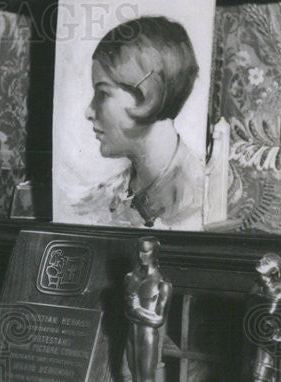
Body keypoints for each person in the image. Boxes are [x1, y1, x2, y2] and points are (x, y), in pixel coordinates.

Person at [77, 16, 205, 229]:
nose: (89, 112)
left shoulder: (201, 196)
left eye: (103, 93)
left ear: (148, 96)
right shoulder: (101, 201)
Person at [122, 237, 172, 382]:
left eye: (147, 252)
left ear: (155, 253)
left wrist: (136, 310)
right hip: (131, 334)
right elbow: (124, 310)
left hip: (148, 336)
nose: (143, 256)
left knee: (147, 380)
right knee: (135, 380)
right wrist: (134, 311)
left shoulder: (163, 284)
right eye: (140, 252)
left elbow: (159, 319)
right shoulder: (130, 277)